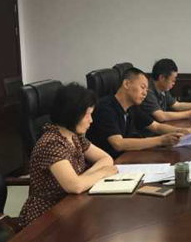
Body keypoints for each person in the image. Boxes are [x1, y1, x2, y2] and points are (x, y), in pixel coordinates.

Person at [19, 83, 118, 228]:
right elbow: (75, 186)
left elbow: (106, 159)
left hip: (70, 206)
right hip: (46, 217)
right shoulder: (52, 143)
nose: (91, 120)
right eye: (87, 114)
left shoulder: (74, 136)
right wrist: (101, 173)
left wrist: (83, 178)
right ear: (73, 114)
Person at [87, 68, 191, 159]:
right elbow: (118, 144)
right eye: (142, 87)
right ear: (126, 84)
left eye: (147, 90)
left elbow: (156, 126)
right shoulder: (105, 107)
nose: (145, 93)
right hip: (109, 163)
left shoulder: (131, 107)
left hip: (126, 157)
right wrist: (161, 140)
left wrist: (181, 131)